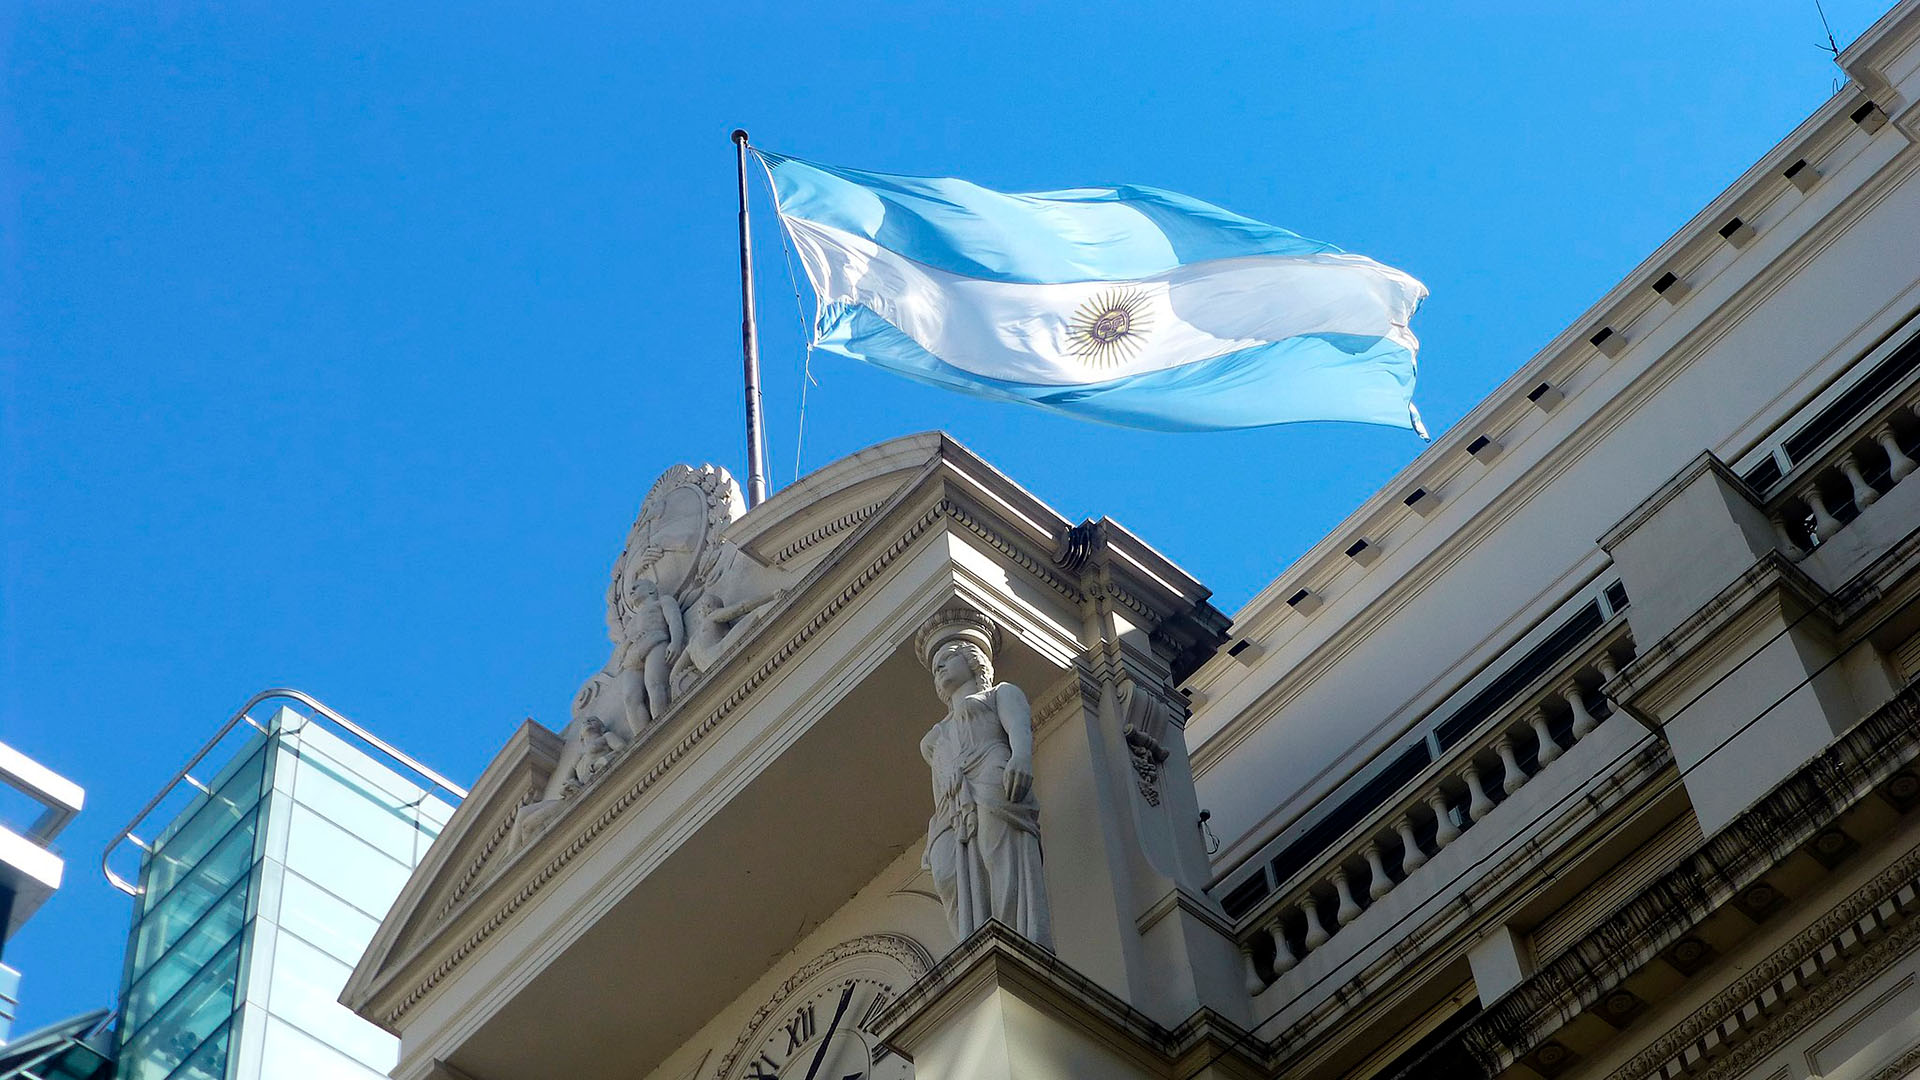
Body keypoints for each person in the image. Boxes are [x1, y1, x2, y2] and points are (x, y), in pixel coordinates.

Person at [919, 634, 1053, 949]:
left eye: (948, 657)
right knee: (946, 871)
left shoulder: (999, 694)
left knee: (999, 854)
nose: (938, 666)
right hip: (953, 802)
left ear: (972, 660)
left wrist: (1020, 756)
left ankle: (1014, 940)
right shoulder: (934, 737)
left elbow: (1018, 727)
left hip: (991, 773)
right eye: (936, 663)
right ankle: (975, 944)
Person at [617, 575, 683, 735]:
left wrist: (676, 642)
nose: (631, 591)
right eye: (630, 589)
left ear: (651, 589)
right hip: (632, 658)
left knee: (654, 685)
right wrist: (629, 641)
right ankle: (643, 738)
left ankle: (662, 728)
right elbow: (621, 651)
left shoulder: (662, 602)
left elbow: (674, 620)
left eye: (636, 587)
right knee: (630, 698)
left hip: (656, 642)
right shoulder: (631, 623)